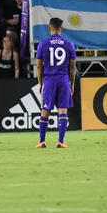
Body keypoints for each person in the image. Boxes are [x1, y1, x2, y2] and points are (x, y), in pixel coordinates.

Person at [35, 17, 76, 149]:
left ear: (49, 28)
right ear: (61, 29)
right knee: (63, 110)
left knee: (45, 110)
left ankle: (42, 141)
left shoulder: (43, 44)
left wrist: (40, 83)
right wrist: (72, 84)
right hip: (63, 79)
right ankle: (61, 141)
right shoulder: (69, 44)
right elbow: (72, 68)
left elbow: (39, 66)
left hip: (49, 79)